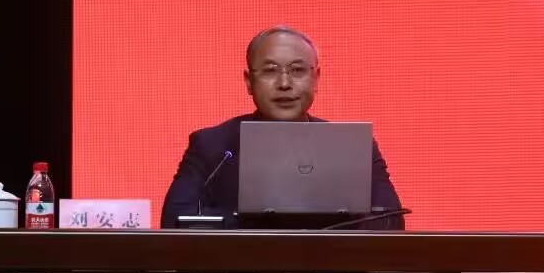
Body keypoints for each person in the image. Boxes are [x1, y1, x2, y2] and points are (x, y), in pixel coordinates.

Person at [160, 26, 405, 229]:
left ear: (316, 79)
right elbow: (174, 222)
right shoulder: (212, 146)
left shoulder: (352, 147)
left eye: (297, 70)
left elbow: (390, 223)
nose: (284, 83)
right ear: (249, 81)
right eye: (270, 71)